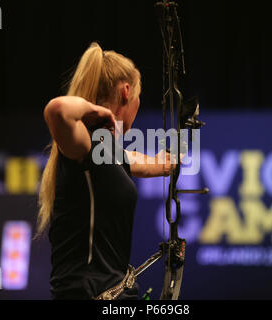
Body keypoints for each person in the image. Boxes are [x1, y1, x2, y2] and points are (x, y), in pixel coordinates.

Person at [35, 42, 175, 300]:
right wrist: (95, 110)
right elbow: (56, 110)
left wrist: (168, 160)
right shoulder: (84, 141)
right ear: (126, 91)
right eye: (138, 96)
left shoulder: (106, 150)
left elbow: (138, 161)